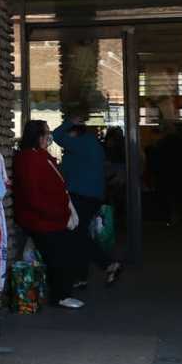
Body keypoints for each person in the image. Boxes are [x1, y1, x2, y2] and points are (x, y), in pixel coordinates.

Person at [13, 120, 86, 309]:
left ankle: (61, 293)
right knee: (59, 256)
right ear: (38, 136)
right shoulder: (30, 158)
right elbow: (33, 193)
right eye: (46, 133)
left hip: (49, 217)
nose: (49, 136)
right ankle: (61, 295)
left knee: (61, 254)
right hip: (43, 219)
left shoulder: (38, 155)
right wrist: (53, 212)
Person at [51, 117, 122, 287]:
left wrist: (71, 122)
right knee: (79, 234)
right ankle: (81, 277)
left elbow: (56, 136)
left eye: (69, 134)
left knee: (77, 234)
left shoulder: (82, 143)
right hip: (88, 195)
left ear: (74, 133)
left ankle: (109, 264)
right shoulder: (87, 144)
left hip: (82, 195)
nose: (67, 139)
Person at [147, 122, 182, 227]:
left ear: (164, 132)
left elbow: (156, 161)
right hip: (180, 175)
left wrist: (154, 174)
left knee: (165, 199)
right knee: (180, 198)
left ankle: (167, 220)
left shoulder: (161, 144)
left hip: (165, 175)